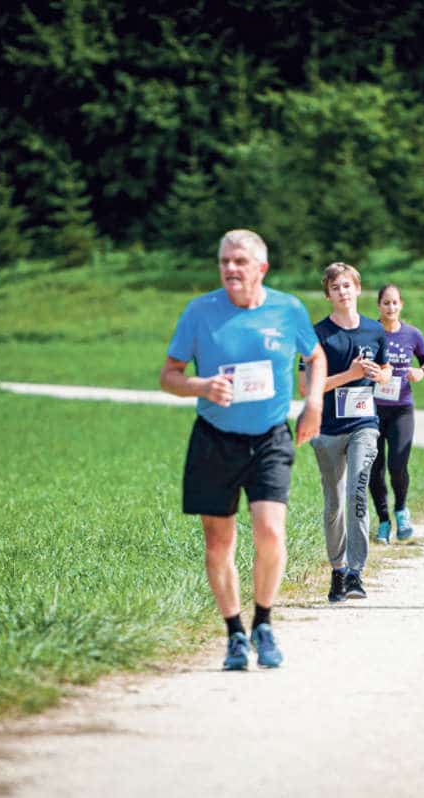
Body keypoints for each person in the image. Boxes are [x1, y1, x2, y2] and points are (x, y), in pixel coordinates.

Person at [160, 229, 325, 671]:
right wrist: (200, 386)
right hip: (214, 437)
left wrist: (314, 402)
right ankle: (234, 632)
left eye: (240, 262)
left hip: (271, 436)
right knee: (219, 543)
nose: (231, 269)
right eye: (224, 262)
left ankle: (264, 623)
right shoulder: (200, 312)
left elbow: (316, 356)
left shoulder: (287, 309)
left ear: (261, 269)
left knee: (270, 531)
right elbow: (169, 375)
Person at [300, 262, 391, 603]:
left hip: (363, 425)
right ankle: (337, 571)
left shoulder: (374, 330)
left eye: (348, 286)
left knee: (356, 492)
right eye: (336, 287)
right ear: (328, 294)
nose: (343, 292)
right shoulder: (317, 334)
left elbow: (385, 371)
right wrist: (350, 374)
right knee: (334, 503)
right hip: (326, 429)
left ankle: (356, 572)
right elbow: (304, 386)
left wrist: (378, 376)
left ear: (358, 289)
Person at [370, 284, 424, 543]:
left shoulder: (412, 334)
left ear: (401, 304)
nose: (391, 307)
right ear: (379, 306)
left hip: (401, 409)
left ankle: (401, 510)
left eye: (395, 302)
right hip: (372, 410)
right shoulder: (370, 332)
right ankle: (384, 521)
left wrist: (422, 372)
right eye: (386, 303)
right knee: (375, 468)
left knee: (398, 465)